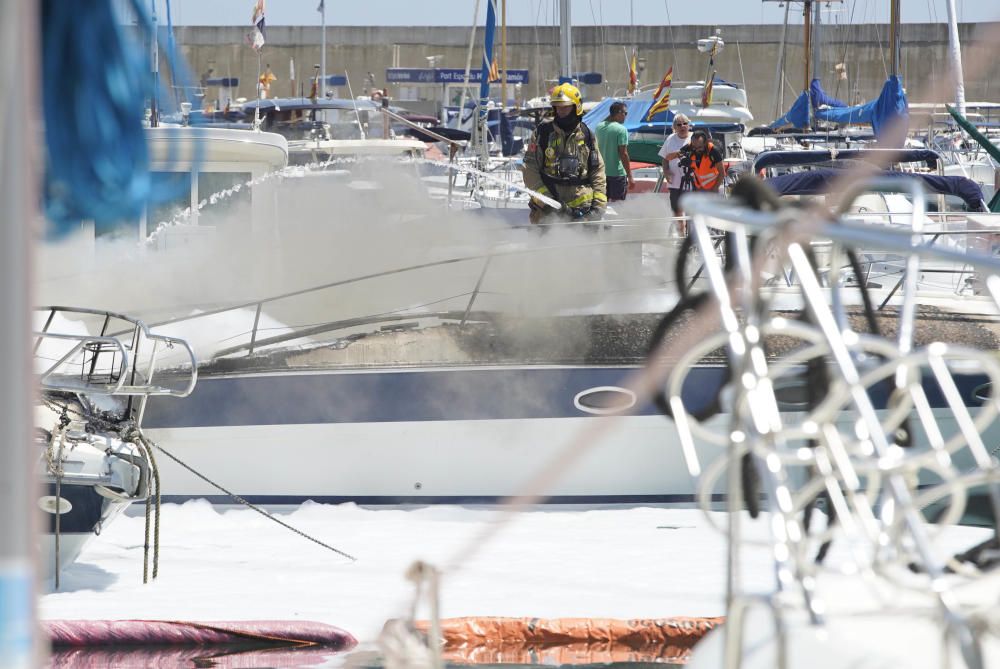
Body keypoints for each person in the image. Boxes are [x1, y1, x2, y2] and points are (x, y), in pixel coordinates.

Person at [522, 83, 608, 225]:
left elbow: (597, 171)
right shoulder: (542, 133)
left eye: (565, 107)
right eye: (557, 107)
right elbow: (530, 170)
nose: (561, 111)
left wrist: (597, 209)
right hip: (547, 211)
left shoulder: (587, 135)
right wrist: (547, 201)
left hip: (582, 210)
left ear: (576, 107)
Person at [657, 113, 692, 233]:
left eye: (685, 123)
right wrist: (666, 172)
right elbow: (664, 159)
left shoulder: (694, 138)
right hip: (675, 183)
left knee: (691, 212)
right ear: (675, 127)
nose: (682, 126)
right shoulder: (670, 138)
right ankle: (681, 236)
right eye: (679, 124)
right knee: (677, 211)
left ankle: (691, 237)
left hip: (692, 182)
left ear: (689, 125)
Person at [594, 101, 634, 201]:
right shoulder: (621, 129)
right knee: (618, 207)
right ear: (619, 113)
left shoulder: (599, 127)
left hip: (602, 173)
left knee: (602, 205)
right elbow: (623, 154)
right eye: (625, 113)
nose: (626, 116)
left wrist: (612, 115)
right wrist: (630, 177)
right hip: (617, 174)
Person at [678, 129, 725, 194]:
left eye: (699, 147)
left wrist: (715, 187)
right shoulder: (691, 147)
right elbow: (679, 153)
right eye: (694, 147)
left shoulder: (714, 151)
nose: (696, 150)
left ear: (705, 143)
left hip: (713, 188)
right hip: (699, 188)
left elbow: (722, 173)